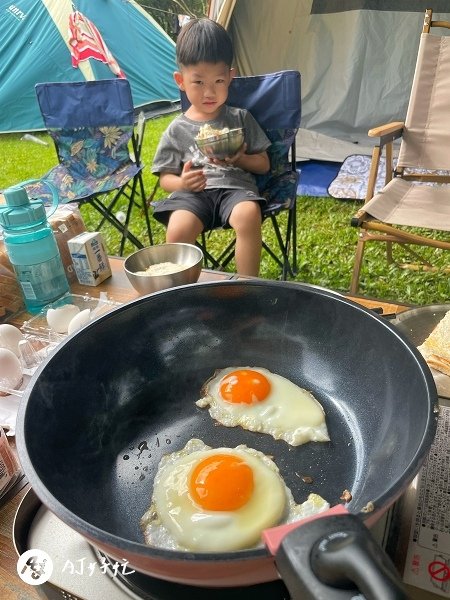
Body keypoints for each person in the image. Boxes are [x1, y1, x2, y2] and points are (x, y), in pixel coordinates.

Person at [151, 18, 270, 276]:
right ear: (180, 81)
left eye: (218, 81)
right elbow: (165, 178)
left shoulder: (240, 118)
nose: (209, 92)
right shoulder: (177, 129)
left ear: (230, 77)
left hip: (235, 189)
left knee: (249, 215)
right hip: (193, 194)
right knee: (178, 227)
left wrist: (240, 159)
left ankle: (248, 286)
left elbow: (264, 164)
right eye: (198, 82)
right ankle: (182, 294)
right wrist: (183, 183)